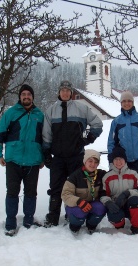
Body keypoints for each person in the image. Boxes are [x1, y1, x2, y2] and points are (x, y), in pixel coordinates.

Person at [42, 80, 103, 227]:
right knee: (56, 187)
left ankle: (72, 214)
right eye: (62, 90)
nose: (65, 93)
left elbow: (97, 124)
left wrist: (88, 139)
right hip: (58, 157)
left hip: (76, 156)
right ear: (59, 92)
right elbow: (46, 134)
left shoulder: (81, 108)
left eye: (68, 90)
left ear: (71, 93)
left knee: (76, 187)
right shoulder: (51, 111)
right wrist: (46, 153)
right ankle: (53, 217)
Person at [0, 84, 44, 236]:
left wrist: (42, 158)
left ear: (33, 97)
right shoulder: (11, 113)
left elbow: (45, 139)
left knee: (31, 193)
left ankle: (28, 221)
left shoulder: (40, 115)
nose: (26, 96)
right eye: (24, 94)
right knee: (12, 193)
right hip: (13, 160)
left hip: (33, 161)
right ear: (20, 97)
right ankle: (10, 224)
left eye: (29, 94)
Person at [107, 90, 138, 224]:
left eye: (129, 101)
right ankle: (126, 213)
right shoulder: (116, 122)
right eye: (124, 101)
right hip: (123, 162)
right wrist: (111, 161)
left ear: (132, 103)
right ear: (121, 103)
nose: (126, 103)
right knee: (123, 188)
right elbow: (111, 142)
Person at [101, 146, 138, 234]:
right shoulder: (107, 176)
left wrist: (127, 193)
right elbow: (102, 194)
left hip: (130, 203)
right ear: (112, 161)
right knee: (113, 214)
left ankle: (137, 226)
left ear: (125, 160)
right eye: (116, 159)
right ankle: (120, 226)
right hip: (116, 204)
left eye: (121, 159)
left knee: (137, 201)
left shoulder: (133, 174)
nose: (118, 162)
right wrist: (108, 202)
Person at [61, 149, 107, 234]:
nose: (93, 164)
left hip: (92, 204)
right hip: (76, 205)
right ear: (85, 161)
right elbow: (65, 195)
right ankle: (74, 226)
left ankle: (91, 225)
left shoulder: (101, 175)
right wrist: (79, 201)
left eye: (96, 162)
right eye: (90, 161)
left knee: (101, 208)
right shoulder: (75, 176)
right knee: (80, 211)